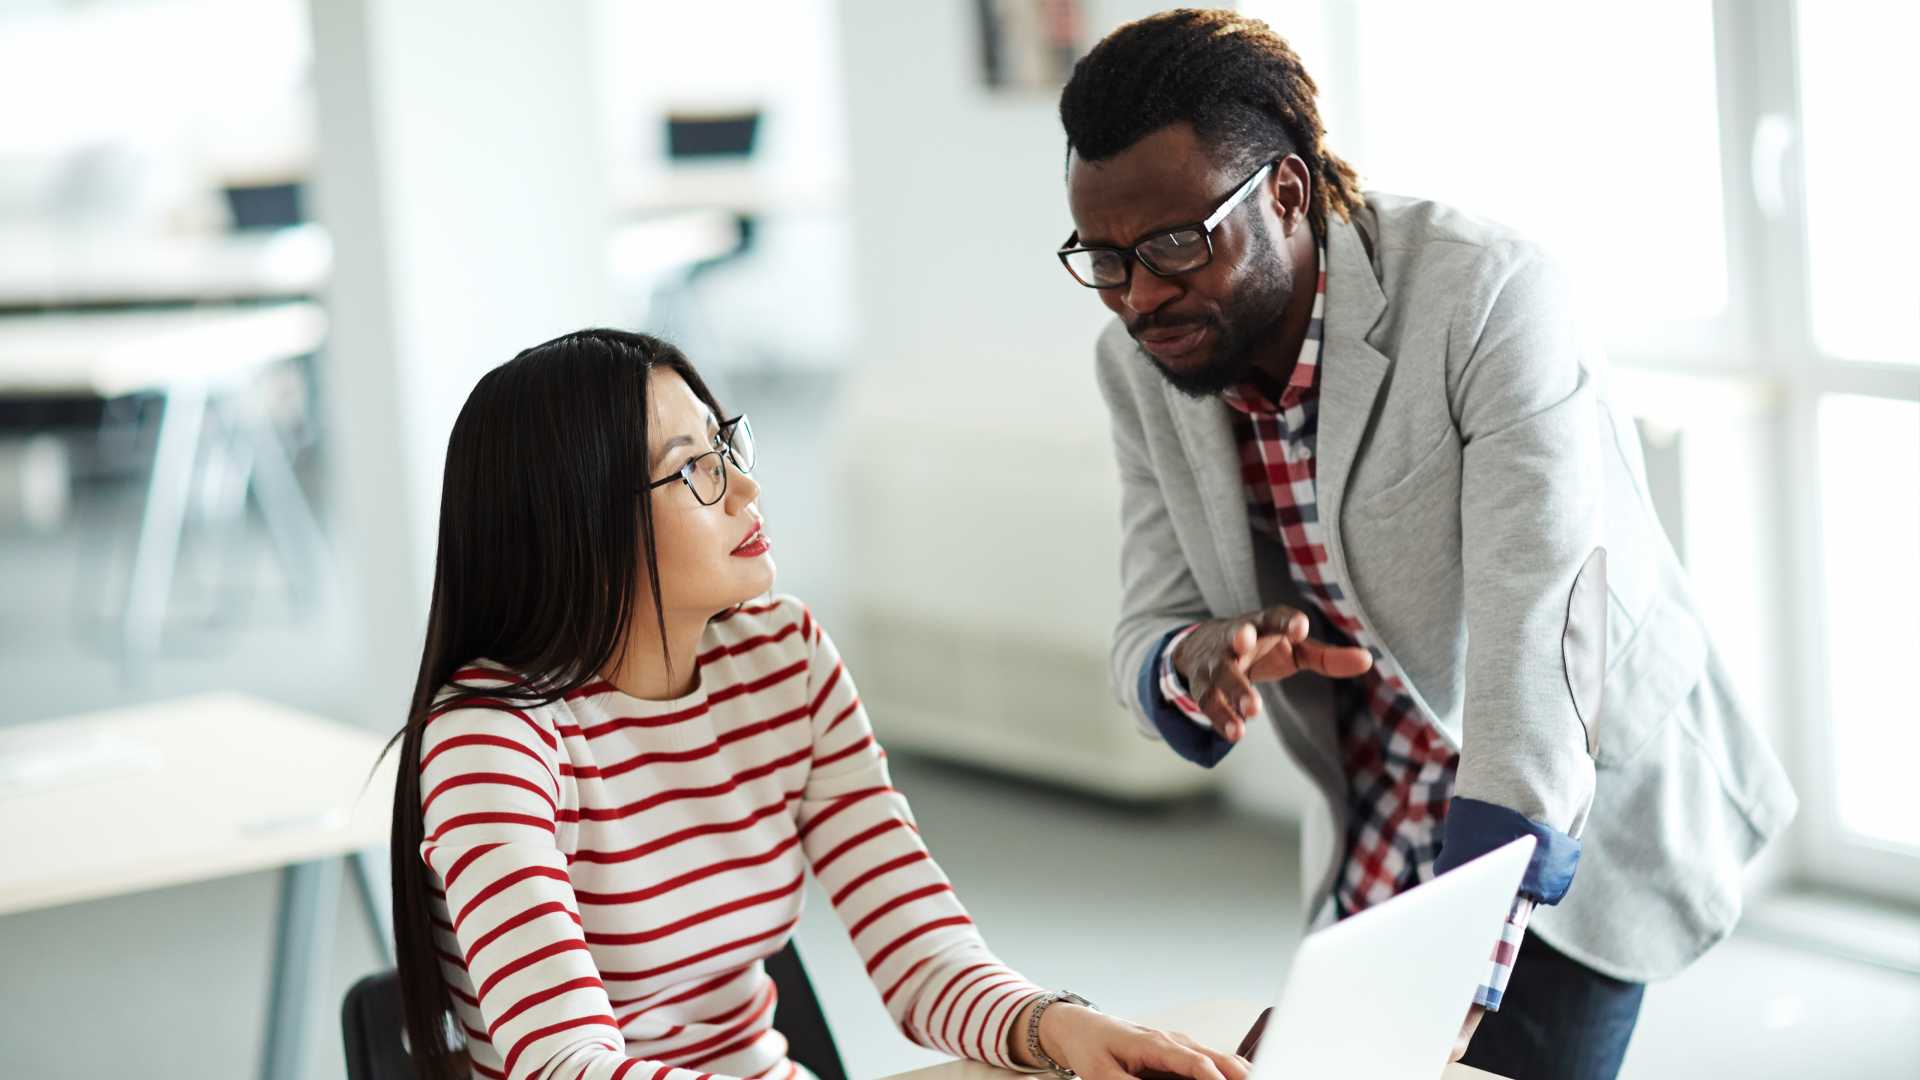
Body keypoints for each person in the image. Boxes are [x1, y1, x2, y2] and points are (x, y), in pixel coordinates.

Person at [1054, 11, 1796, 1080]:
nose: (1139, 297)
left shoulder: (1486, 293)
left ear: (1286, 193)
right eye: (1105, 256)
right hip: (1383, 794)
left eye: (1175, 245)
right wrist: (1191, 659)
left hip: (1560, 783)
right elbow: (1145, 621)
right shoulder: (1140, 365)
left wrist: (1457, 962)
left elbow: (1542, 632)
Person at [383, 329, 1251, 1080]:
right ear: (574, 521)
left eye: (727, 447)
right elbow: (565, 1064)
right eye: (692, 471)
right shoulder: (491, 743)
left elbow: (919, 950)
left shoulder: (780, 658)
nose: (746, 491)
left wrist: (1058, 1024)